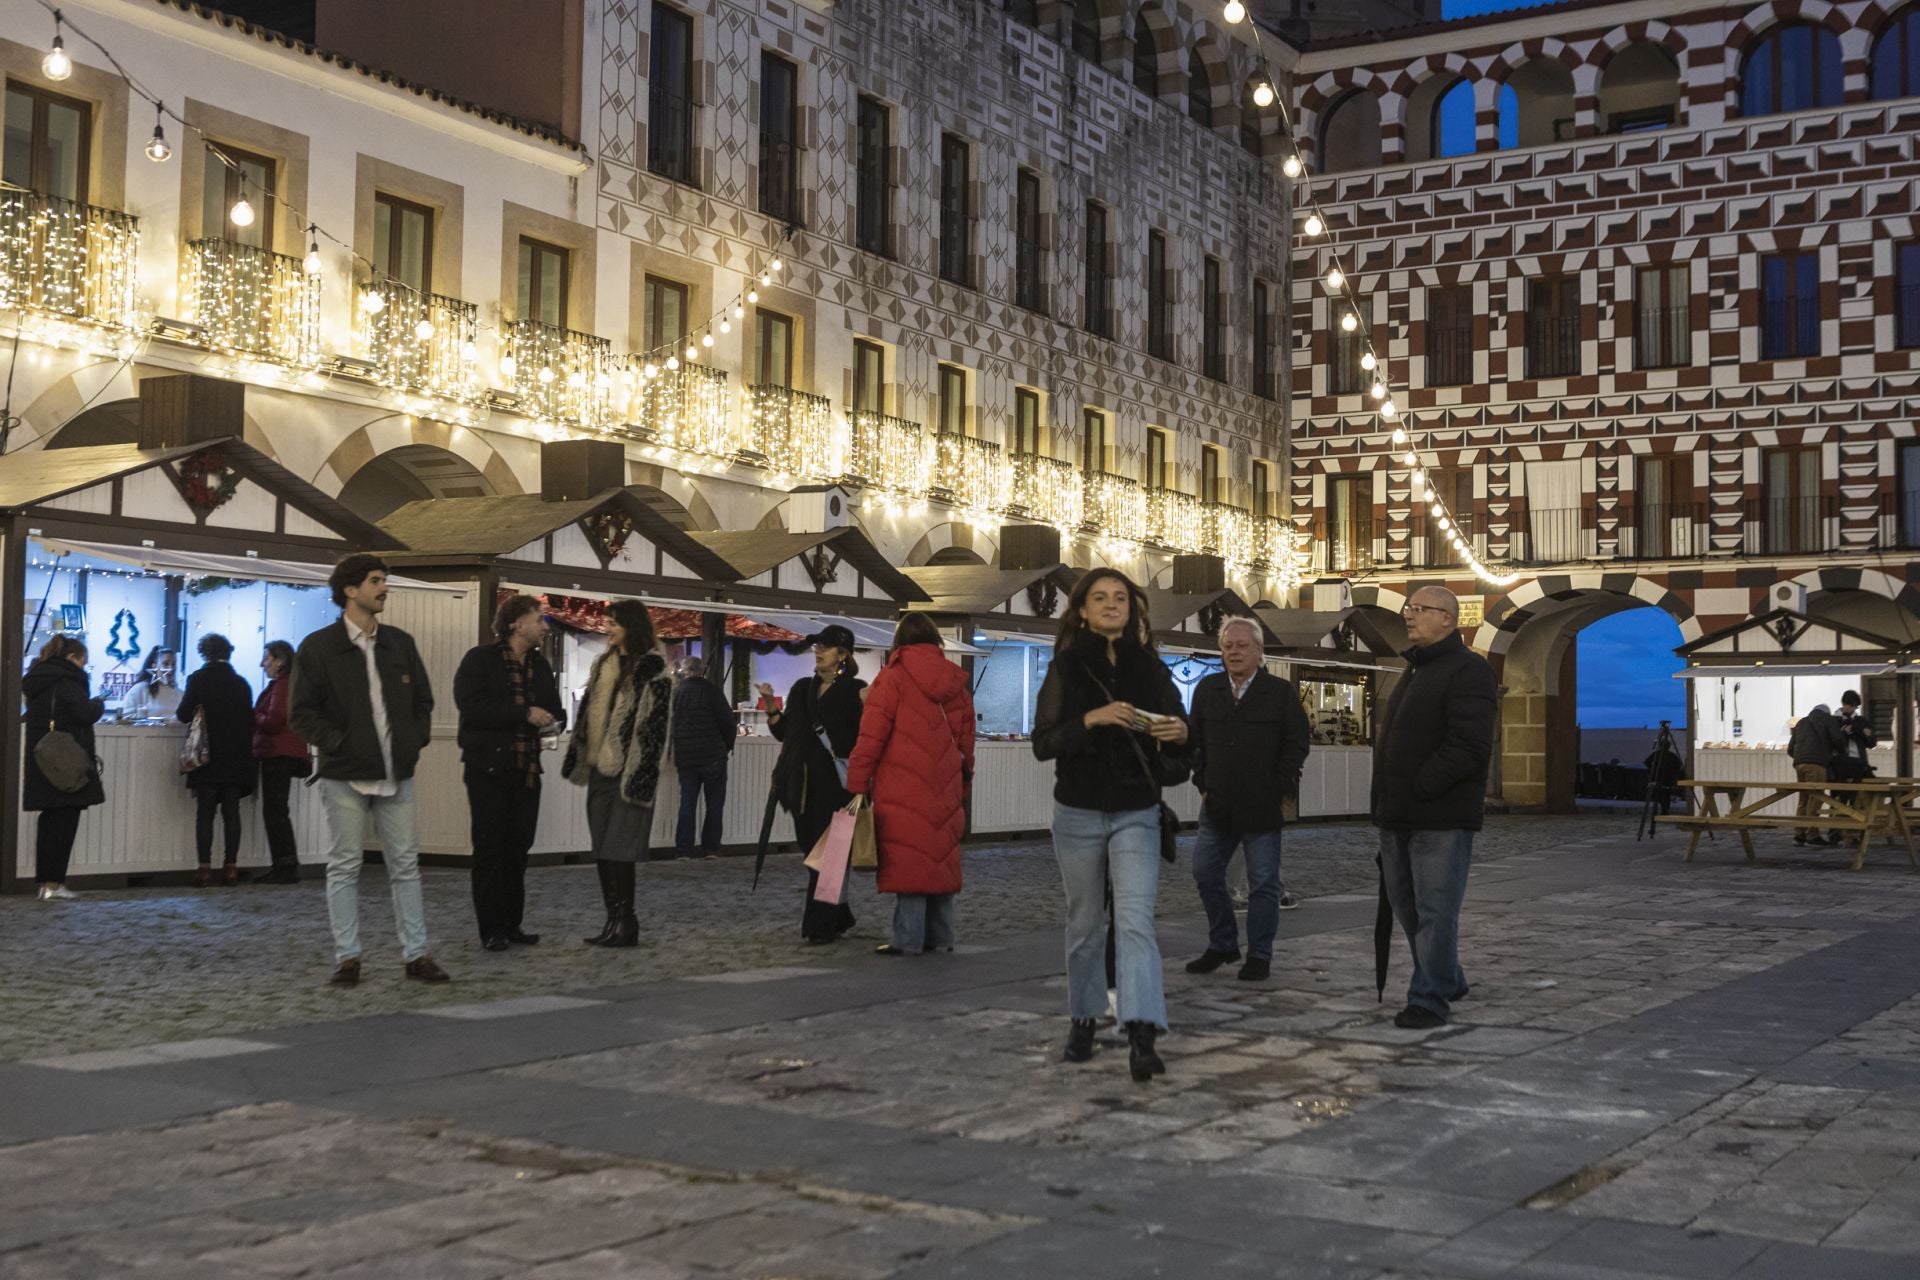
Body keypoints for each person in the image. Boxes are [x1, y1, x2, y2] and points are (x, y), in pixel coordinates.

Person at [1033, 568, 1189, 1082]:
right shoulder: (1066, 668)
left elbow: (1178, 732)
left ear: (1133, 608)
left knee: (1135, 922)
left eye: (1120, 597)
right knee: (1084, 923)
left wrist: (1177, 729)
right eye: (1099, 598)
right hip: (1077, 810)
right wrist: (1091, 720)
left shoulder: (1151, 668)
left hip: (1136, 809)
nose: (1111, 605)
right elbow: (1044, 743)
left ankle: (1142, 1032)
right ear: (1081, 609)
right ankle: (1083, 1017)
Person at [290, 554, 449, 987]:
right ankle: (348, 958)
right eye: (376, 581)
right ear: (350, 590)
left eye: (384, 580)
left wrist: (413, 742)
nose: (385, 588)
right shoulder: (318, 648)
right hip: (344, 775)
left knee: (405, 865)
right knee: (344, 865)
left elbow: (422, 702)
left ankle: (416, 955)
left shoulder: (400, 643)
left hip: (397, 773)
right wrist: (341, 743)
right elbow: (302, 713)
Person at [1372, 585, 1497, 1030]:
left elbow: (1469, 746)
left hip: (1439, 817)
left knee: (1434, 911)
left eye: (1420, 609)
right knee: (1408, 908)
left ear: (1448, 618)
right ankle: (1449, 976)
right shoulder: (1415, 669)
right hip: (1397, 815)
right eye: (1409, 609)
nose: (1409, 616)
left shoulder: (1469, 671)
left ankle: (1428, 999)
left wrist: (1423, 785)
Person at [1185, 616, 1311, 982]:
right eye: (1228, 647)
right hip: (1217, 803)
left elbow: (1296, 743)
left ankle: (1259, 954)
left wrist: (1277, 784)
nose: (1234, 652)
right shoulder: (1208, 689)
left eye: (1242, 646)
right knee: (1206, 873)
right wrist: (1202, 780)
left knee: (1263, 882)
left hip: (1261, 805)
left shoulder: (1279, 692)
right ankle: (1223, 942)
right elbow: (1195, 741)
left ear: (1259, 651)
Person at [846, 613, 976, 957]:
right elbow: (967, 740)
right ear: (936, 641)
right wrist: (962, 780)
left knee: (909, 857)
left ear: (899, 641)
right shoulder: (955, 682)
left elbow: (871, 736)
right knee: (939, 856)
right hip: (944, 782)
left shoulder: (892, 678)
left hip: (901, 783)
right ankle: (942, 935)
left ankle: (907, 938)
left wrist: (857, 781)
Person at [456, 595, 566, 951]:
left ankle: (513, 923)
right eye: (539, 619)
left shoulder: (540, 665)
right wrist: (523, 713)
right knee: (490, 849)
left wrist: (553, 719)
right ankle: (491, 928)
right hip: (487, 767)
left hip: (527, 768)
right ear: (518, 624)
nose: (544, 626)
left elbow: (552, 707)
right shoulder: (480, 660)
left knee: (518, 848)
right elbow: (472, 708)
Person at [563, 599, 672, 947]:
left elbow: (655, 726)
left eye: (614, 624)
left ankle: (626, 919)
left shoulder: (651, 668)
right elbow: (590, 715)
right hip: (599, 766)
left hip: (630, 771)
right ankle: (614, 919)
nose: (607, 629)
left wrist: (640, 769)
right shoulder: (604, 664)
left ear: (631, 627)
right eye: (606, 623)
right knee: (602, 848)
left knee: (620, 848)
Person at [761, 624, 865, 944]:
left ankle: (819, 926)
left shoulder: (856, 690)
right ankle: (838, 915)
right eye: (817, 646)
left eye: (826, 647)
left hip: (839, 787)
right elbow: (785, 733)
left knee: (829, 857)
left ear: (844, 654)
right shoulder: (801, 688)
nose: (818, 651)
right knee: (812, 855)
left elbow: (863, 740)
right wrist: (770, 706)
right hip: (801, 787)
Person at [22, 636, 105, 901]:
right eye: (83, 661)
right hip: (67, 763)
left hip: (44, 760)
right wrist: (99, 704)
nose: (84, 667)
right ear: (72, 658)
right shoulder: (68, 680)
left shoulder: (37, 679)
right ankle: (54, 884)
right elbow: (84, 713)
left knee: (48, 822)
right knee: (64, 824)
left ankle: (45, 884)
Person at [176, 633, 256, 887]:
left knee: (205, 814)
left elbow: (183, 714)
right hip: (236, 757)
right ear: (228, 653)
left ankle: (204, 870)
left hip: (207, 757)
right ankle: (231, 868)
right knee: (232, 814)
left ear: (204, 653)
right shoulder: (242, 683)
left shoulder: (198, 679)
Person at [251, 640, 309, 884]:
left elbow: (275, 721)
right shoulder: (289, 685)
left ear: (280, 661)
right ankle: (286, 865)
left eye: (267, 658)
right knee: (278, 811)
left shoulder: (281, 687)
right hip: (285, 753)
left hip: (278, 754)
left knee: (275, 812)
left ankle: (285, 866)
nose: (263, 663)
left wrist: (253, 714)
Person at [671, 655, 737, 859]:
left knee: (687, 803)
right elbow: (728, 722)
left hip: (686, 757)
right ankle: (711, 848)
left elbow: (669, 723)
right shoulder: (713, 691)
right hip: (713, 755)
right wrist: (726, 747)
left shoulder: (676, 693)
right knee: (715, 803)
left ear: (684, 671)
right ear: (702, 671)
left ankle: (683, 849)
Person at [1787, 703, 1846, 846]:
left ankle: (1799, 834)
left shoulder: (1801, 722)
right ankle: (1812, 834)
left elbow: (1790, 748)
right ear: (1827, 712)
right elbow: (1838, 740)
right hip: (1817, 764)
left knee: (1804, 799)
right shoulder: (1828, 720)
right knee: (1815, 797)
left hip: (1799, 764)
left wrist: (1800, 757)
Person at [1828, 690, 1877, 846]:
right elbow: (1829, 741)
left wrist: (1859, 731)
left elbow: (1872, 741)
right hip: (1840, 764)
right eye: (1851, 706)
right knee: (1837, 798)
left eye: (1855, 707)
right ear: (1844, 704)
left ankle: (1852, 834)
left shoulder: (1861, 721)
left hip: (1859, 764)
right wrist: (1843, 733)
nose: (1852, 710)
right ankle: (1835, 832)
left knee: (1857, 800)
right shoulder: (1833, 721)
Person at [120, 647, 181, 719]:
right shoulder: (139, 690)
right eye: (166, 664)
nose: (171, 668)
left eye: (173, 664)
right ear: (154, 665)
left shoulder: (180, 694)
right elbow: (126, 717)